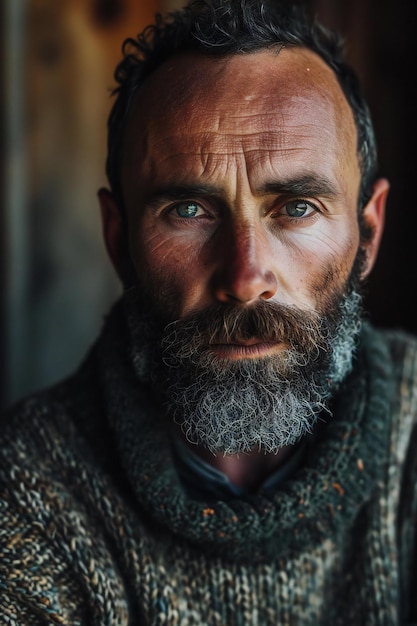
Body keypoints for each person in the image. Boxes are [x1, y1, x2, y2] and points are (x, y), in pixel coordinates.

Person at [1, 0, 416, 623]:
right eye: (189, 211)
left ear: (369, 234)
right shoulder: (27, 487)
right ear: (119, 242)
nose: (246, 279)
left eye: (297, 207)